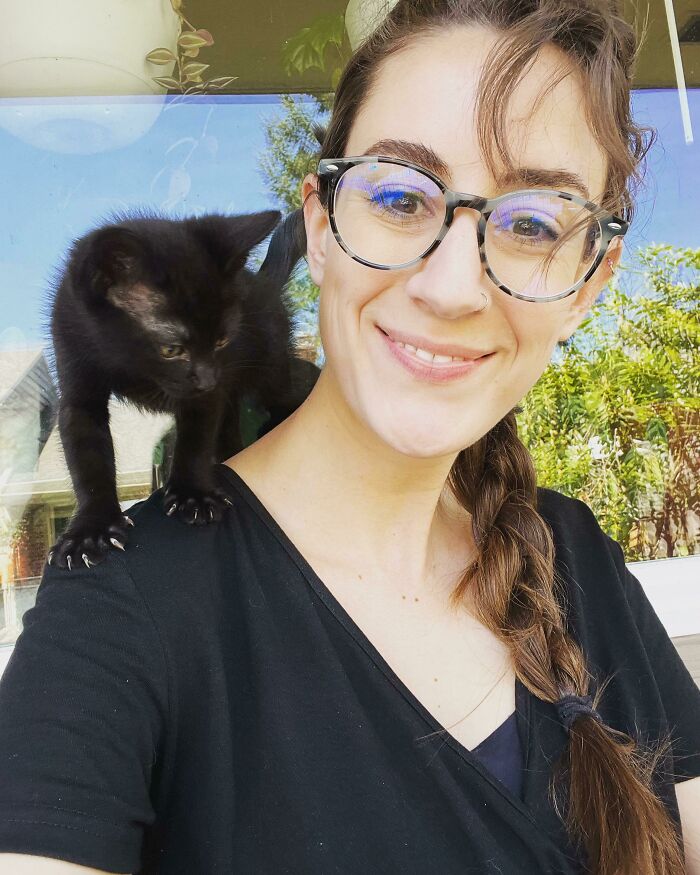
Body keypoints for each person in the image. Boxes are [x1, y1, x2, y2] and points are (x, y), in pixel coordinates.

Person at [0, 0, 699, 872]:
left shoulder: (578, 560)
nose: (451, 289)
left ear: (590, 279)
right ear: (322, 227)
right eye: (401, 197)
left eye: (531, 224)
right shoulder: (120, 609)